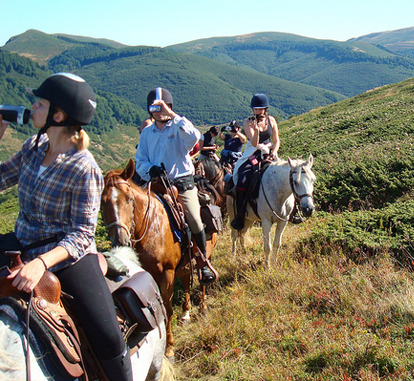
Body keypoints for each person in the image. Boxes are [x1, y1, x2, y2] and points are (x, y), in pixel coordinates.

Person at [0, 73, 132, 381]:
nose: (32, 107)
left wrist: (40, 265)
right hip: (22, 241)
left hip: (67, 255)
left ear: (58, 115)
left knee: (107, 335)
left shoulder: (84, 168)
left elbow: (82, 234)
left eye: (40, 103)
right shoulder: (33, 146)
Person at [135, 87, 215, 284]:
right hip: (157, 183)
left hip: (182, 182)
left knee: (194, 219)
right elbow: (140, 161)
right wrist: (150, 169)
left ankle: (203, 262)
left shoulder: (179, 127)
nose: (159, 110)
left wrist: (172, 115)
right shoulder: (147, 133)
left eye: (163, 107)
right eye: (155, 107)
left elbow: (194, 136)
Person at [230, 93, 280, 230]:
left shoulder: (272, 120)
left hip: (268, 153)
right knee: (243, 178)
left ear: (265, 109)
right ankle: (240, 214)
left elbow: (276, 140)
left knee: (286, 174)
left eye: (260, 109)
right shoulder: (248, 122)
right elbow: (254, 142)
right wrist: (256, 130)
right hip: (253, 153)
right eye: (255, 109)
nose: (257, 112)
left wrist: (274, 152)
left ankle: (292, 209)